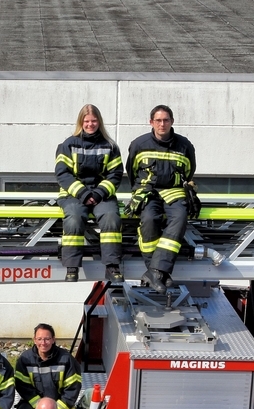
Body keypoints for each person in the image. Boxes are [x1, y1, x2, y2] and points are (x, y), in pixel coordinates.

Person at [126, 104, 197, 293]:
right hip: (147, 192)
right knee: (149, 219)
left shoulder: (184, 145)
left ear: (172, 121)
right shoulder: (139, 144)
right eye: (158, 120)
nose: (162, 124)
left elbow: (189, 171)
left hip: (174, 192)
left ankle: (155, 272)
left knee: (180, 218)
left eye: (166, 120)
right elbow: (132, 172)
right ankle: (160, 272)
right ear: (151, 122)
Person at [54, 103, 124, 282]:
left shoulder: (110, 146)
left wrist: (98, 193)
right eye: (86, 121)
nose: (90, 124)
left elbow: (115, 175)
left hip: (102, 194)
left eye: (94, 121)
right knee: (74, 218)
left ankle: (112, 266)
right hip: (73, 194)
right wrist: (84, 194)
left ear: (99, 122)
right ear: (81, 122)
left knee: (111, 217)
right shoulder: (68, 145)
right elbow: (63, 174)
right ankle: (72, 266)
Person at [12, 323, 84, 409]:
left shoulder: (67, 360)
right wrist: (41, 408)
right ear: (34, 340)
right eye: (39, 339)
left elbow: (72, 390)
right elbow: (24, 388)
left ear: (53, 339)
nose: (43, 343)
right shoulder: (25, 359)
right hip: (34, 406)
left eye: (47, 339)